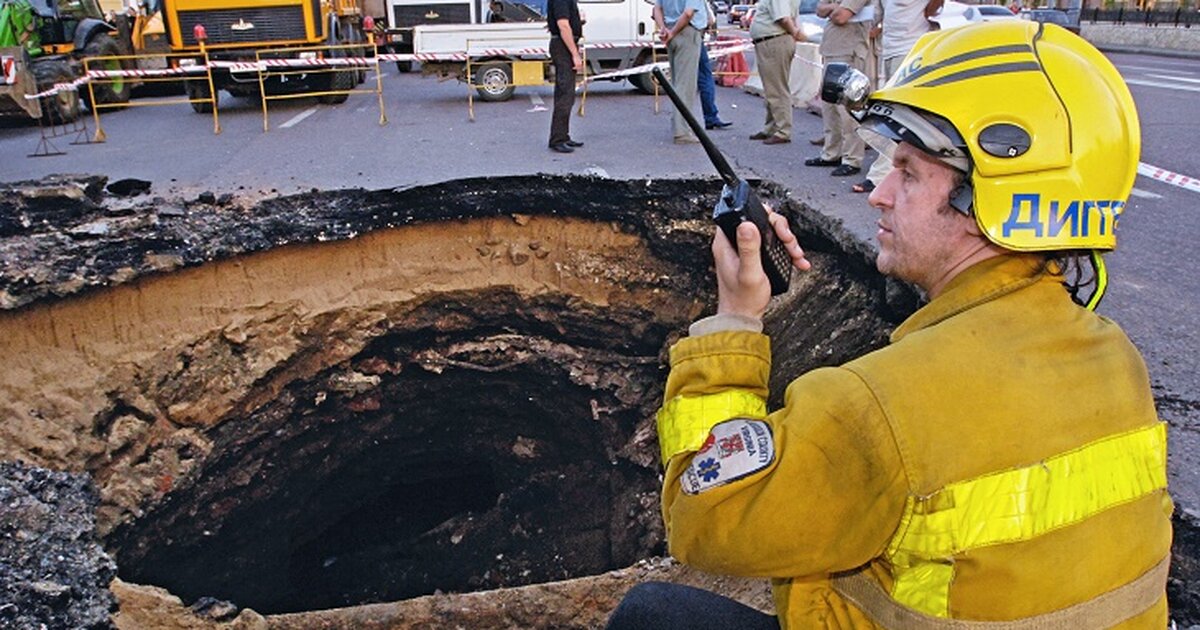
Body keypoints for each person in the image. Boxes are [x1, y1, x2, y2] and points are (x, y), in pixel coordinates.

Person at [607, 21, 1171, 628]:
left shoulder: (875, 405)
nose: (878, 193)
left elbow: (705, 520)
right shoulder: (1118, 357)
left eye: (907, 172)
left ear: (988, 201)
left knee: (652, 613)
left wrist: (735, 317)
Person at [853, 0, 943, 194]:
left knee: (896, 113)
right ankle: (900, 170)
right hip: (889, 50)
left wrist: (927, 14)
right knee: (895, 113)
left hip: (911, 50)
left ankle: (880, 175)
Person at [805, 0, 874, 174]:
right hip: (831, 50)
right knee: (829, 105)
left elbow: (841, 16)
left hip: (849, 51)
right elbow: (819, 10)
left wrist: (832, 10)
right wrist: (833, 9)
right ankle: (831, 153)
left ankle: (851, 159)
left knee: (848, 109)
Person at [746, 0, 804, 144]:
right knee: (771, 88)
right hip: (772, 41)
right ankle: (771, 127)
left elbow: (783, 18)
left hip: (774, 41)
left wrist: (794, 32)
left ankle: (783, 130)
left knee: (777, 89)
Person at [654, 0, 709, 143]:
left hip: (671, 31)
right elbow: (689, 12)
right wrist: (673, 32)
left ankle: (678, 125)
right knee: (686, 85)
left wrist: (664, 29)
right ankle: (682, 132)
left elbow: (657, 9)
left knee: (677, 82)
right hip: (686, 31)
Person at [547, 0, 584, 153]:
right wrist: (574, 54)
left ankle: (563, 135)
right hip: (563, 47)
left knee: (566, 93)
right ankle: (558, 139)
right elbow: (563, 25)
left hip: (563, 44)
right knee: (565, 93)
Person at [698, 1, 733, 130]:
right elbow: (710, 19)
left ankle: (681, 123)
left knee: (682, 80)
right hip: (694, 37)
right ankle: (710, 117)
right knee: (705, 78)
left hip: (674, 36)